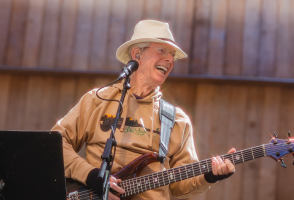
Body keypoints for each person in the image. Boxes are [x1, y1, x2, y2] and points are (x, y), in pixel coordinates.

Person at [52, 20, 236, 200]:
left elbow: (181, 186)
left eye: (172, 54)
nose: (170, 59)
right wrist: (91, 176)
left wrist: (210, 176)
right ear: (137, 54)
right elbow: (55, 145)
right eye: (162, 50)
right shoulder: (97, 100)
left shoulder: (177, 120)